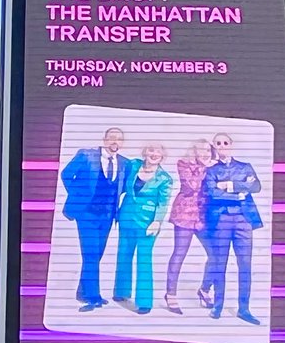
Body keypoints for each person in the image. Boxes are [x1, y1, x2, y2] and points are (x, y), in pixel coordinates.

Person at [60, 127, 130, 312]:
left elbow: (123, 187)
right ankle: (93, 297)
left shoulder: (125, 163)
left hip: (107, 217)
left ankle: (82, 292)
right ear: (104, 139)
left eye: (119, 139)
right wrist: (80, 195)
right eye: (112, 138)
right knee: (90, 255)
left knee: (96, 255)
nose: (115, 142)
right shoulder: (86, 155)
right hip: (86, 214)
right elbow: (66, 175)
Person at [203, 132, 263, 325]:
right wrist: (239, 192)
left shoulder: (245, 166)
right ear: (214, 147)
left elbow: (256, 187)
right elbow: (212, 193)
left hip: (244, 220)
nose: (222, 146)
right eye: (218, 143)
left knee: (245, 264)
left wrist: (228, 185)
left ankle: (244, 309)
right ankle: (218, 305)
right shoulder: (211, 171)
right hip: (221, 219)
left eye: (225, 142)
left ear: (231, 145)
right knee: (220, 263)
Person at [113, 143, 174, 315]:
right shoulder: (133, 165)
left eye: (158, 152)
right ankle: (121, 292)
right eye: (151, 150)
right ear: (144, 152)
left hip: (148, 223)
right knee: (124, 253)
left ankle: (144, 302)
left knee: (144, 259)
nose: (154, 154)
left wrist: (157, 222)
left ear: (163, 157)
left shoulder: (165, 178)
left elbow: (163, 204)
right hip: (126, 217)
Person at [164, 139, 215, 314]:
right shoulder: (184, 164)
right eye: (202, 150)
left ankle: (205, 289)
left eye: (208, 150)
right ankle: (170, 294)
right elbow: (191, 187)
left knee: (215, 254)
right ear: (194, 151)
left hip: (204, 216)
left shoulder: (214, 166)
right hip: (185, 214)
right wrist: (206, 168)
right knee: (179, 253)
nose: (206, 153)